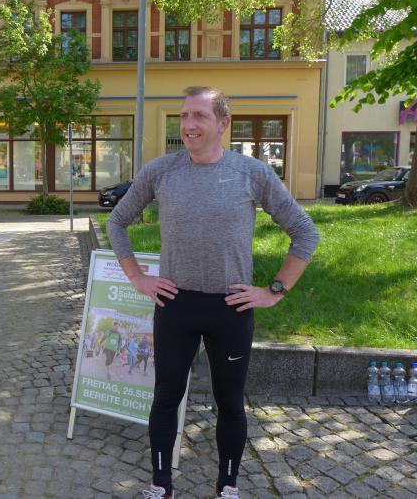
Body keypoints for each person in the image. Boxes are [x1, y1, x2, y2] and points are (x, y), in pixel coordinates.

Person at [106, 86, 319, 499]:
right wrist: (137, 277)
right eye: (184, 116)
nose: (188, 125)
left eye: (199, 116)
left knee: (230, 402)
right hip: (175, 304)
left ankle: (227, 486)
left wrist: (275, 290)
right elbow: (117, 221)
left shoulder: (251, 173)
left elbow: (305, 232)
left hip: (230, 308)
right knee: (166, 397)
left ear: (223, 123)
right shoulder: (160, 171)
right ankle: (161, 484)